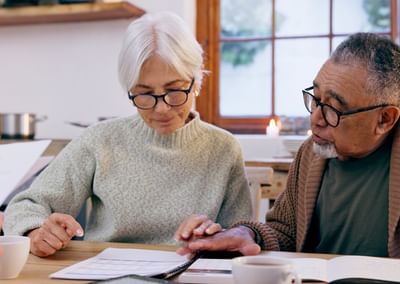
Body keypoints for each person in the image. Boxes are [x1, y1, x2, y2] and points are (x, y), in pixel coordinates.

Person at [3, 11, 252, 257]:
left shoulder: (223, 147)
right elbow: (26, 206)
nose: (162, 108)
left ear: (195, 83)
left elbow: (241, 235)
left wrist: (220, 238)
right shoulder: (100, 140)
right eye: (144, 94)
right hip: (106, 271)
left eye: (175, 91)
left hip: (189, 272)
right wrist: (36, 231)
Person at [176, 32, 400, 258]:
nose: (315, 119)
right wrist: (246, 234)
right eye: (316, 99)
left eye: (333, 108)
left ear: (385, 119)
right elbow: (284, 232)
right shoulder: (310, 154)